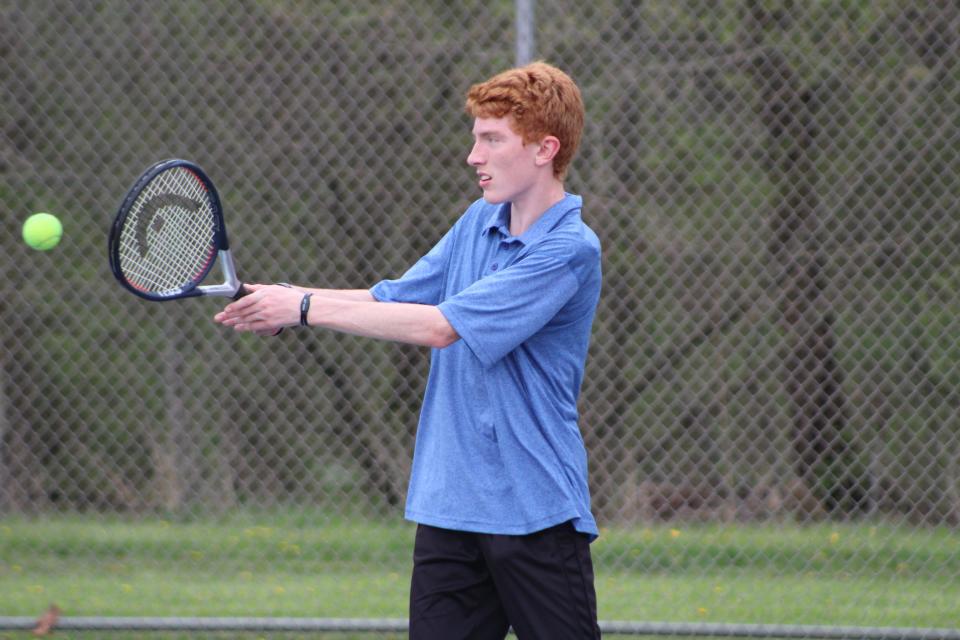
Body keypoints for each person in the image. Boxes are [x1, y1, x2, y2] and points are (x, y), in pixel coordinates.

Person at [215, 61, 602, 640]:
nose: (474, 156)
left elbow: (441, 326)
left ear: (545, 148)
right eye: (476, 138)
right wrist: (288, 297)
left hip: (535, 511)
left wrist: (301, 309)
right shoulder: (478, 221)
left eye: (492, 139)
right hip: (450, 508)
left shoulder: (571, 249)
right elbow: (391, 297)